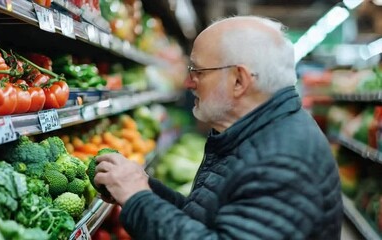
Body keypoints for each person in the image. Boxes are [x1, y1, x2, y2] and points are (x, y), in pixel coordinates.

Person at [93, 16, 343, 239]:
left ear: (238, 80)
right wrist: (143, 188)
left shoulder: (282, 160)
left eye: (198, 71)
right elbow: (206, 220)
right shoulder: (256, 132)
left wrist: (139, 199)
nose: (189, 83)